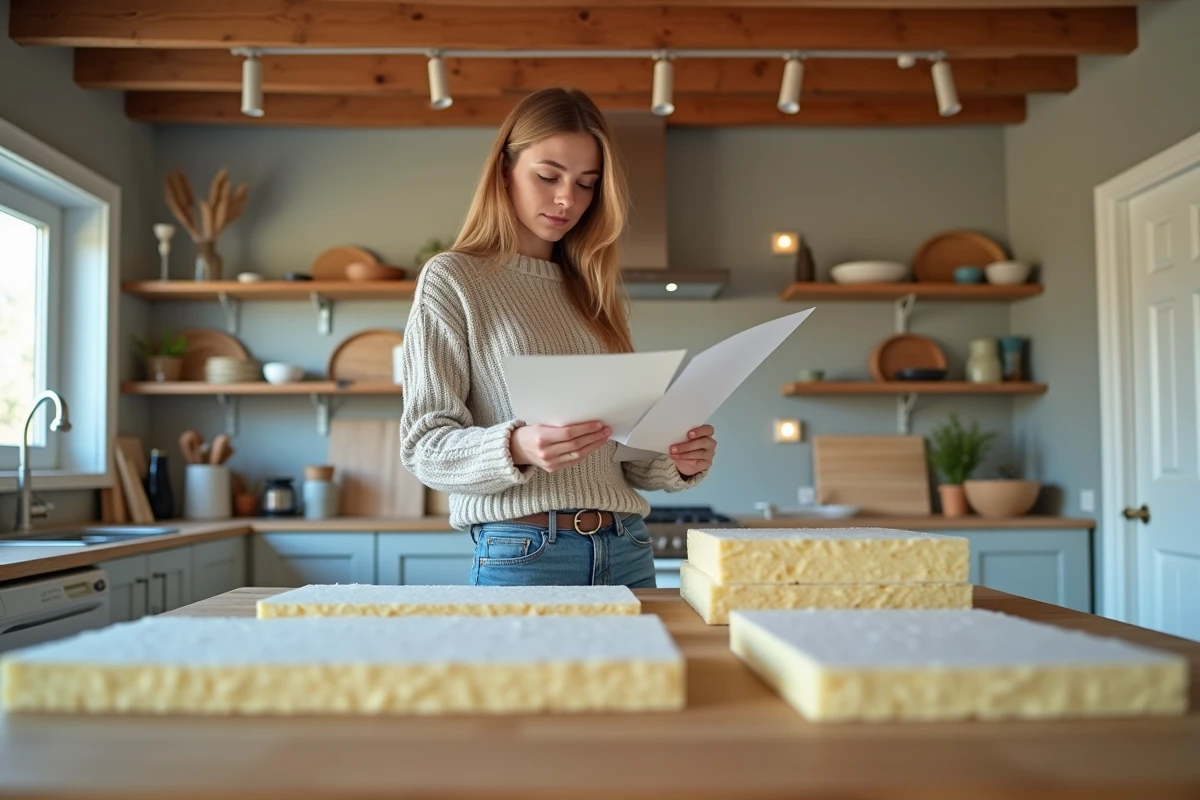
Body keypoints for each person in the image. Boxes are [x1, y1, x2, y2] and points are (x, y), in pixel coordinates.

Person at [398, 87, 717, 588]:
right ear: (505, 170)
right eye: (548, 176)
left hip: (627, 546)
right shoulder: (453, 279)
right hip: (525, 551)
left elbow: (618, 454)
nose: (568, 199)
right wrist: (519, 445)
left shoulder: (593, 291)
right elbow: (424, 447)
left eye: (587, 184)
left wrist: (673, 458)